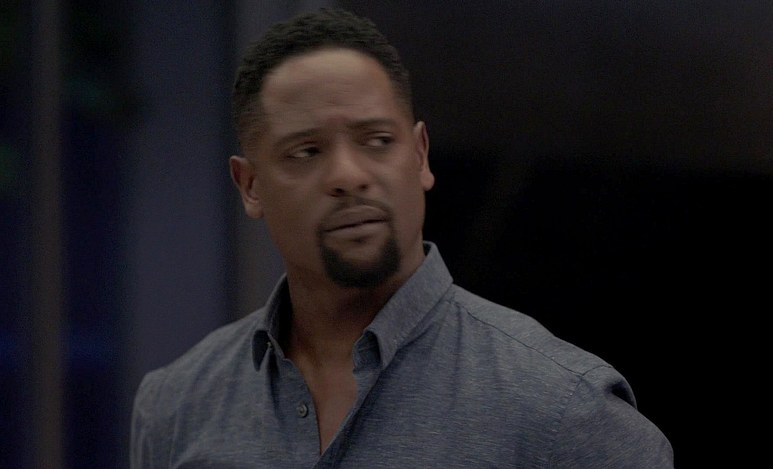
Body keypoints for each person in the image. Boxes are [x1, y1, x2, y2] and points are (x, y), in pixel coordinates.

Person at [130, 8, 674, 468]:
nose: (349, 175)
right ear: (250, 186)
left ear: (419, 156)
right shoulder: (178, 407)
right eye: (307, 151)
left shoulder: (563, 409)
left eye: (377, 140)